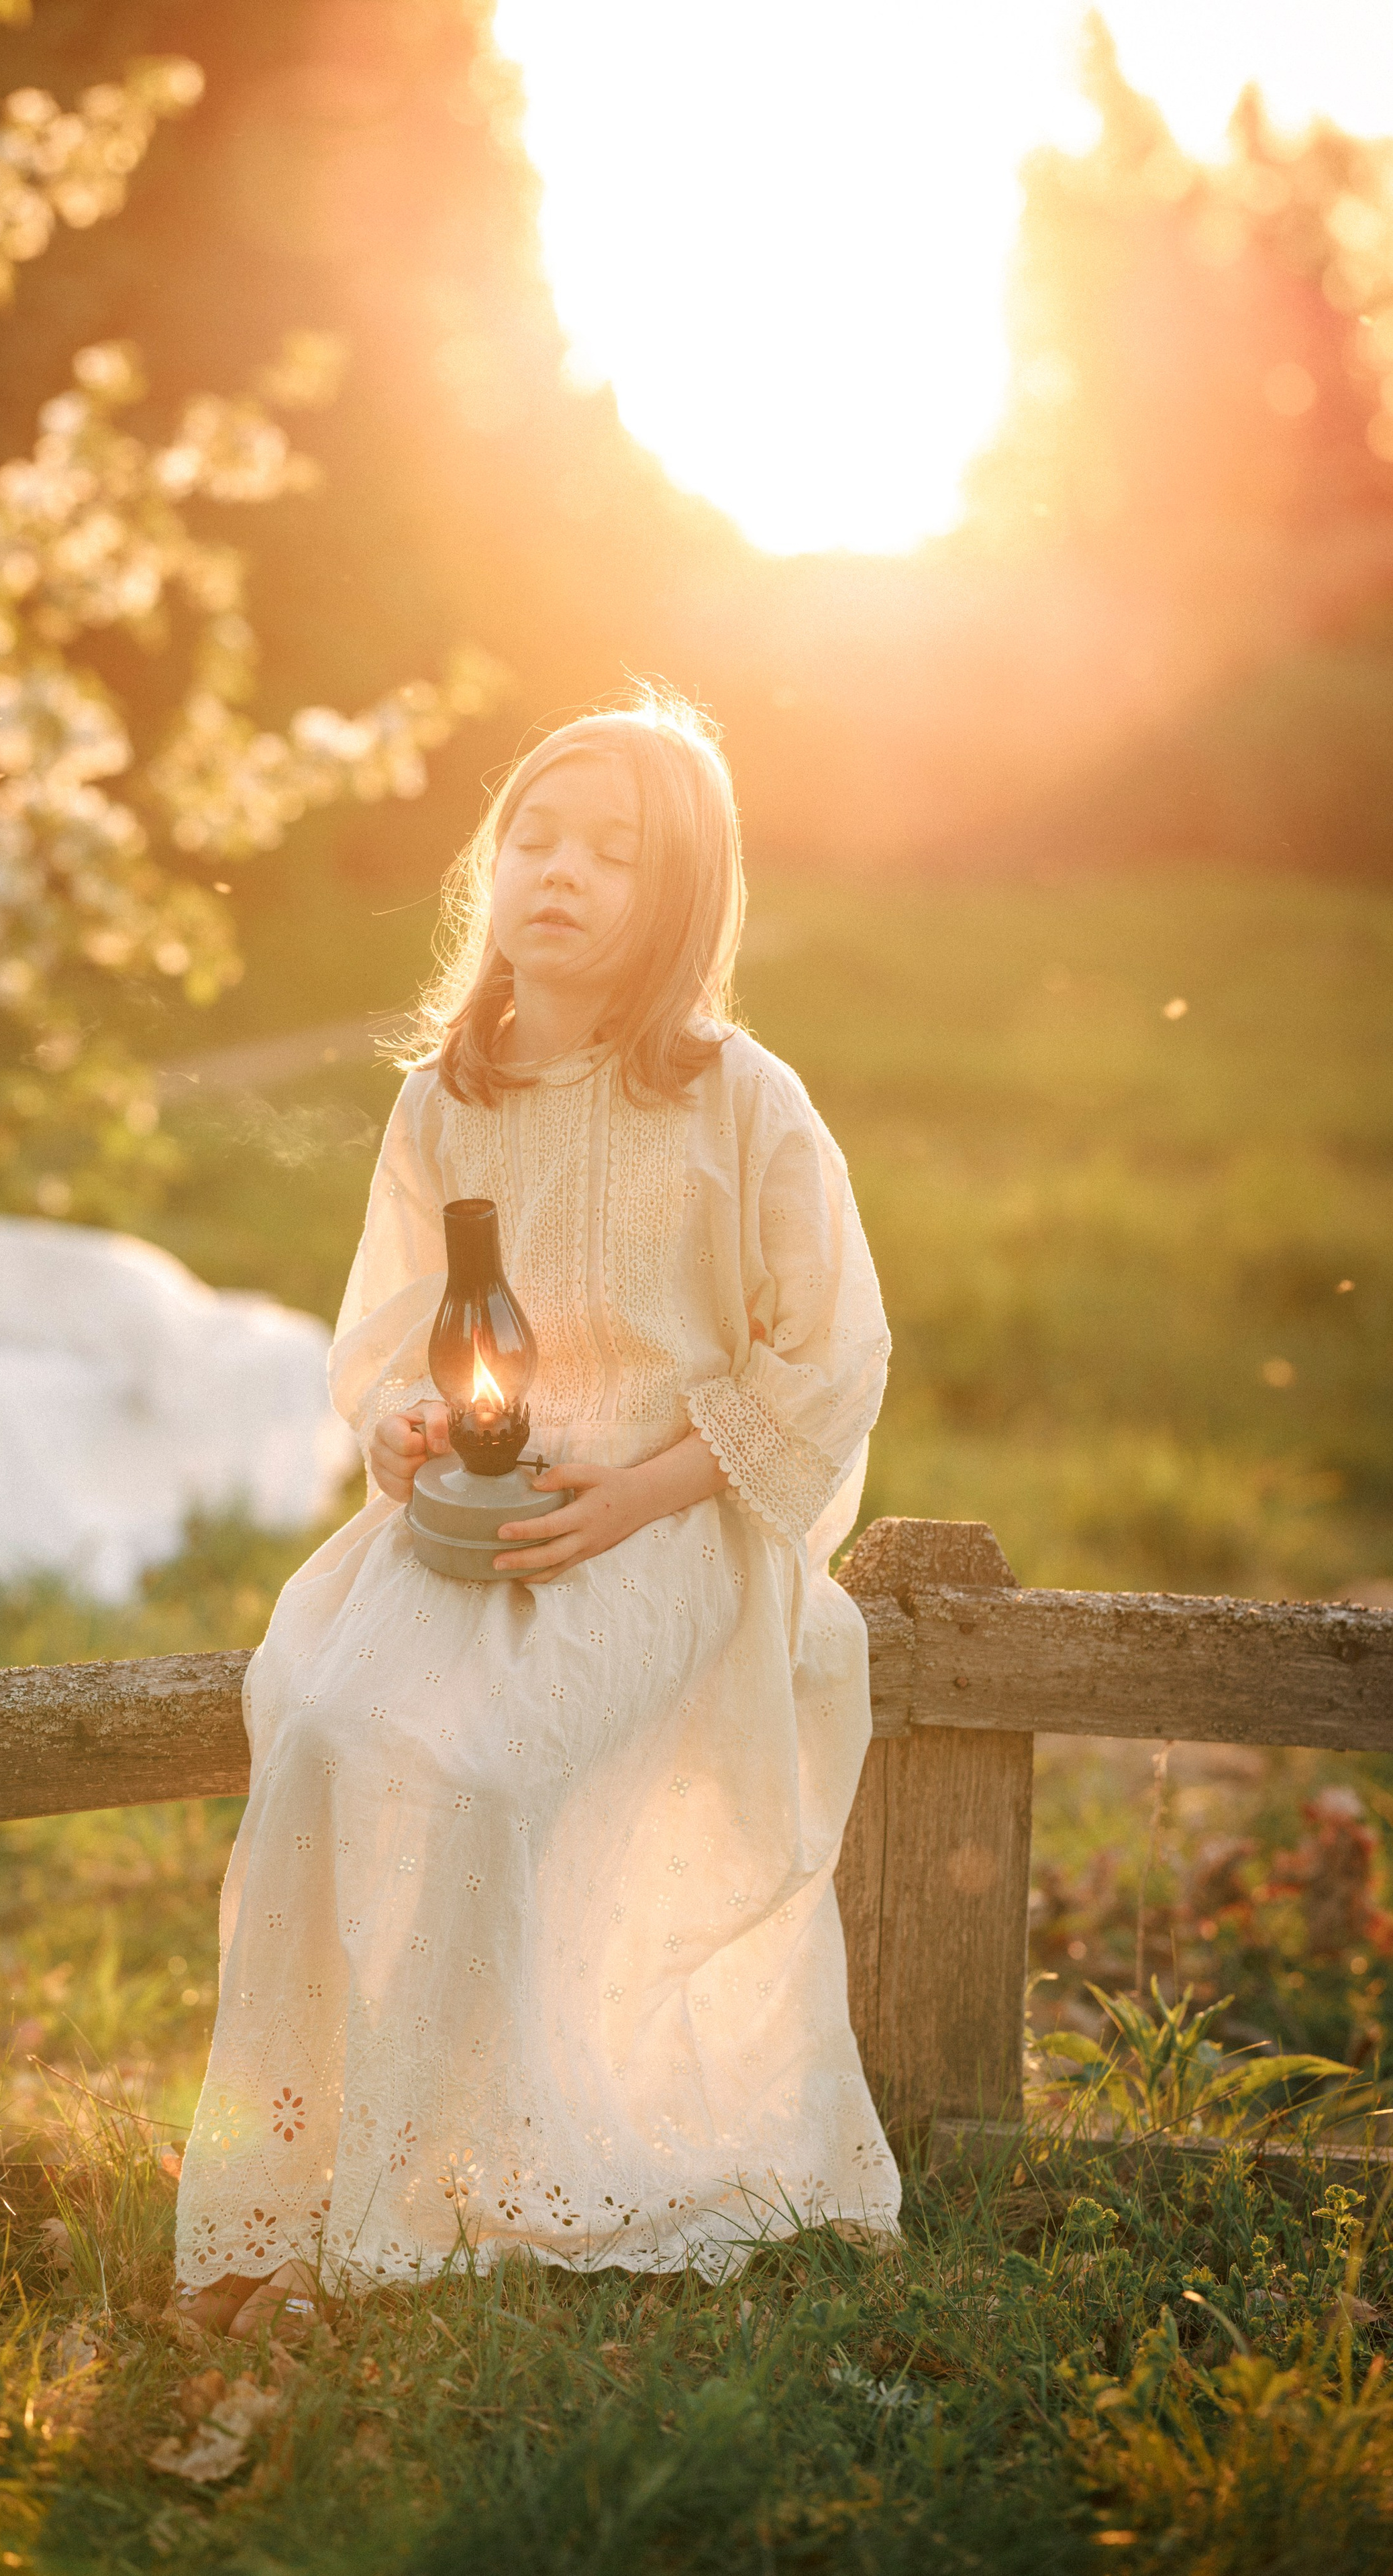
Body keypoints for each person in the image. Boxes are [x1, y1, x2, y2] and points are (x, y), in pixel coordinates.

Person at [176, 690, 900, 2337]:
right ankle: (285, 2188)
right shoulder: (446, 1100)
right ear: (487, 871)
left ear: (684, 898)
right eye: (532, 838)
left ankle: (450, 2185)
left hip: (660, 1525)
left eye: (613, 854)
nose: (558, 874)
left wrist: (642, 1488)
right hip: (476, 1516)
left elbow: (830, 1350)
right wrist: (403, 1422)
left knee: (478, 1768)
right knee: (325, 1735)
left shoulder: (737, 1099)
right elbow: (386, 1326)